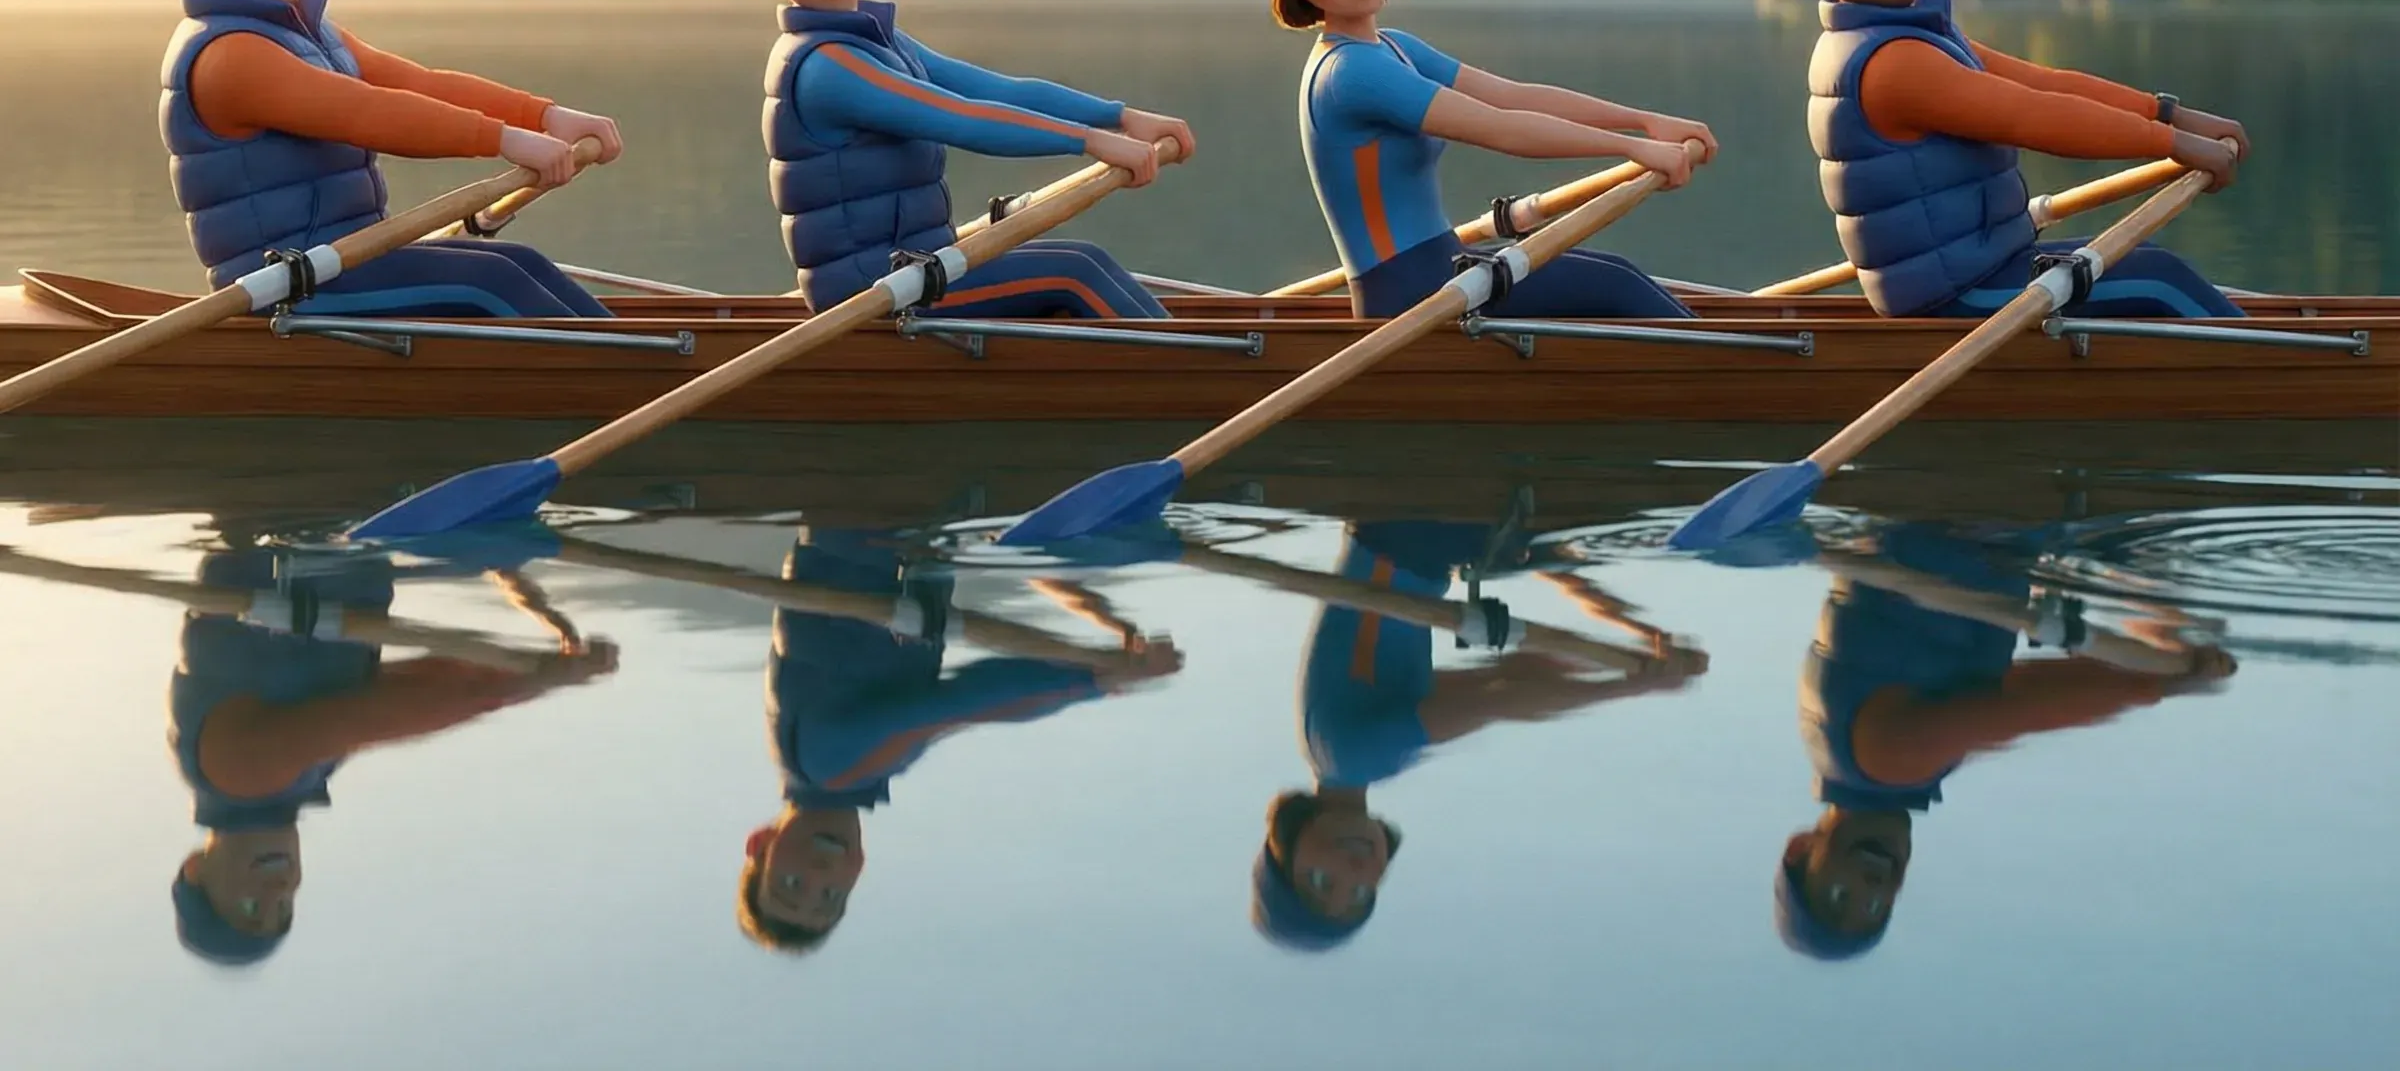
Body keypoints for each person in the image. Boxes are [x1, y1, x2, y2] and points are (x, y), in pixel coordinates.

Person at [150, 0, 623, 318]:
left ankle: (643, 366)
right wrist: (505, 140)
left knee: (522, 263)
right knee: (493, 282)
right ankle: (627, 382)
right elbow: (366, 113)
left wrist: (545, 117)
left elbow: (417, 82)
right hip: (287, 286)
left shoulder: (310, 35)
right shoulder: (230, 57)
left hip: (346, 261)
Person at [1781, 0, 2250, 318]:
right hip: (1956, 297)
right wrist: (2173, 142)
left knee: (2149, 268)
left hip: (1981, 269)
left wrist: (2169, 113)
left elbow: (2043, 84)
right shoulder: (1893, 64)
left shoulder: (1907, 38)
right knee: (2163, 283)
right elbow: (2038, 117)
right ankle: (2279, 381)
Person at [731, 0, 1194, 317]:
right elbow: (962, 119)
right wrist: (1091, 141)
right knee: (1075, 271)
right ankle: (1195, 384)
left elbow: (995, 90)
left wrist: (1120, 116)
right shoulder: (828, 69)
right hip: (869, 294)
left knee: (1083, 268)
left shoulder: (879, 43)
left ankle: (1185, 368)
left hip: (916, 268)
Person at [1251, 0, 1715, 320]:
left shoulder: (1393, 46)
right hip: (1409, 301)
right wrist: (1633, 149)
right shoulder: (1349, 73)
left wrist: (1645, 121)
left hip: (1441, 274)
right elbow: (1502, 129)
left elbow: (1512, 97)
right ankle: (1729, 384)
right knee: (1616, 286)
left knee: (1617, 273)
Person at [1774, 522, 2233, 959]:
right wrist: (2152, 655)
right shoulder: (1842, 752)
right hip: (1975, 533)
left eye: (1839, 896)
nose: (1870, 887)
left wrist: (2160, 682)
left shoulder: (1884, 760)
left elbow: (2023, 706)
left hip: (1970, 521)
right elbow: (2013, 696)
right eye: (1877, 907)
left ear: (1800, 849)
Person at [1252, 520, 1693, 950]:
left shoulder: (1358, 756)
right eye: (1363, 894)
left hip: (1415, 529)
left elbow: (1500, 701)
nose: (1354, 871)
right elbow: (1518, 673)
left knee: (1565, 542)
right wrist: (1645, 645)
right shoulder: (1326, 742)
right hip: (1423, 537)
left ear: (1286, 846)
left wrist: (1637, 683)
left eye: (1321, 881)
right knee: (1545, 551)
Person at [737, 527, 1177, 952]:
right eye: (831, 896)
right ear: (859, 870)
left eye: (791, 884)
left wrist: (1099, 679)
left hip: (879, 511)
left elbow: (969, 702)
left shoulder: (831, 765)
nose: (820, 874)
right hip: (908, 525)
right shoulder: (808, 759)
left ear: (760, 843)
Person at [168, 545, 613, 964]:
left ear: (195, 869)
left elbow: (379, 714)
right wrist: (542, 671)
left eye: (249, 906)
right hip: (352, 542)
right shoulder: (300, 776)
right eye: (284, 907)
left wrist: (532, 681)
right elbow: (424, 685)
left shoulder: (236, 773)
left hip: (290, 530)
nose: (277, 890)